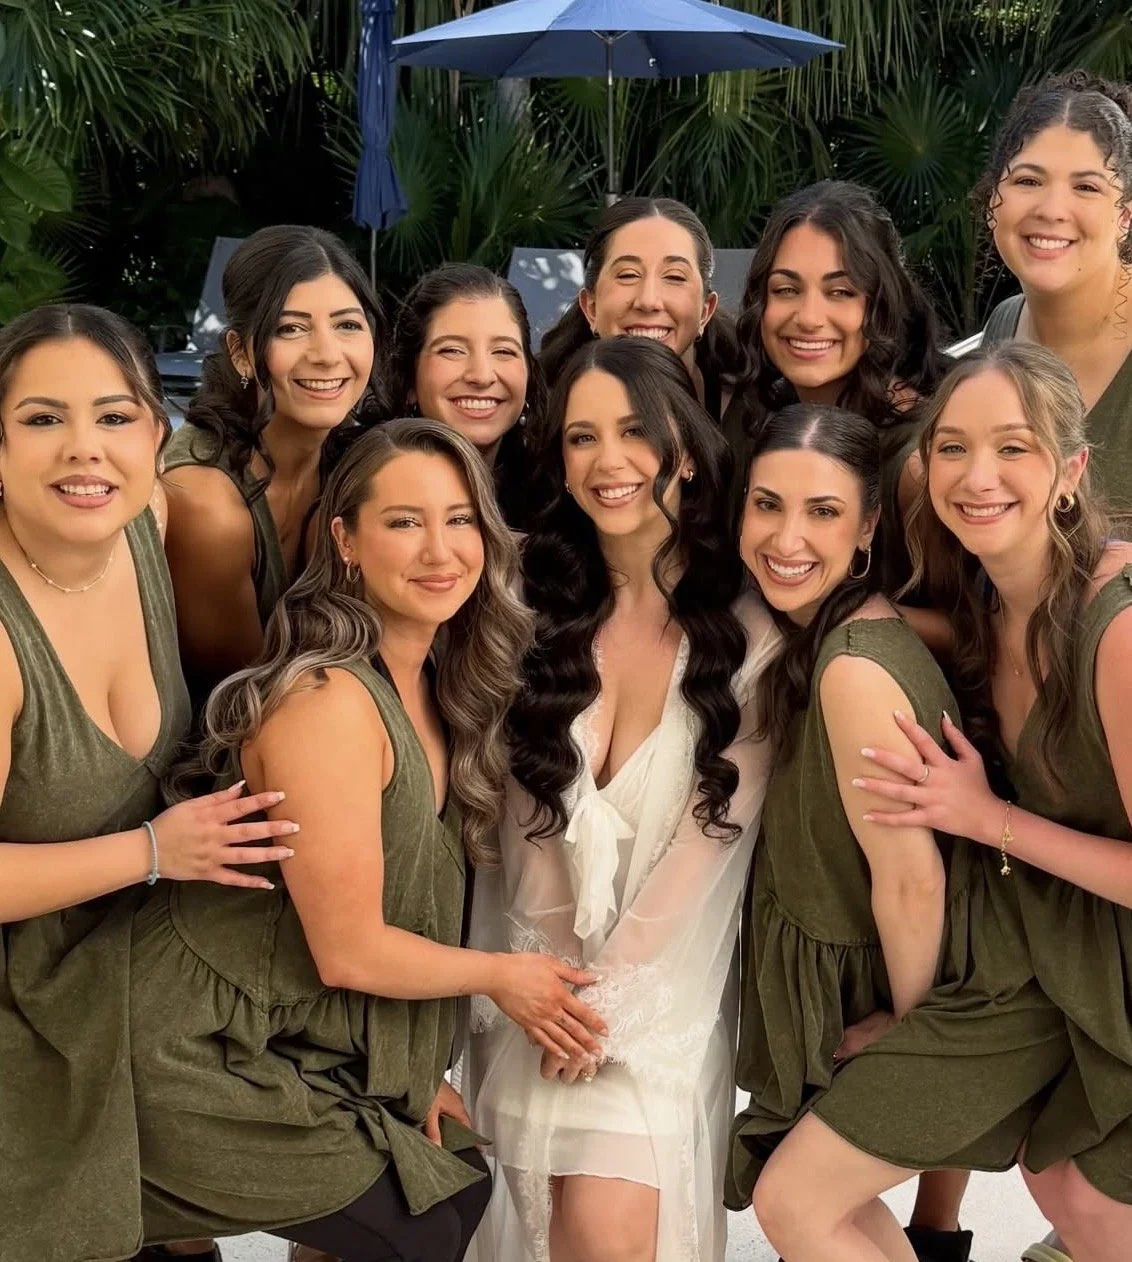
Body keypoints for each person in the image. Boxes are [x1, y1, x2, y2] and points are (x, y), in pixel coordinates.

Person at [125, 419, 607, 1262]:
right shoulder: (329, 701)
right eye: (404, 522)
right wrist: (504, 979)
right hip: (197, 1050)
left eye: (460, 520)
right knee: (419, 1225)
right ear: (345, 540)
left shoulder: (441, 691)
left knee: (455, 1186)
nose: (439, 550)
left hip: (296, 1041)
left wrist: (412, 1075)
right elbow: (349, 949)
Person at [745, 342, 1132, 1262]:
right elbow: (842, 609)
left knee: (799, 1198)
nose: (977, 475)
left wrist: (986, 818)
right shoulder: (988, 608)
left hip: (1101, 966)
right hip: (1045, 953)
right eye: (951, 447)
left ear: (1071, 470)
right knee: (1071, 1192)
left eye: (1014, 448)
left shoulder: (1114, 630)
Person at [464, 337, 780, 1262]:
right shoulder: (528, 608)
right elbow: (525, 826)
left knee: (606, 1231)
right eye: (581, 437)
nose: (608, 461)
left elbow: (707, 845)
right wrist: (555, 987)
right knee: (525, 1226)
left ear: (685, 447)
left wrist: (604, 1008)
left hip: (659, 995)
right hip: (533, 979)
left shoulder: (751, 625)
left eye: (635, 432)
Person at [0, 304, 299, 1262]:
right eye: (43, 419)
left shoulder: (157, 520)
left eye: (116, 416)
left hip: (144, 949)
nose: (85, 450)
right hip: (26, 987)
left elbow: (238, 687)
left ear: (156, 431)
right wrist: (154, 851)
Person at [725, 404, 962, 1262]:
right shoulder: (827, 636)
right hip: (839, 983)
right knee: (833, 1214)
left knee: (798, 1209)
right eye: (767, 504)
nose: (787, 537)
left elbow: (911, 879)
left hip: (892, 996)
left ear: (867, 528)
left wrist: (910, 1030)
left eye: (823, 512)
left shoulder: (855, 666)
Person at [162, 224, 392, 702]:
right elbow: (248, 692)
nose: (327, 355)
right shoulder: (206, 501)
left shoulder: (352, 460)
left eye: (348, 324)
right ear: (241, 353)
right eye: (291, 328)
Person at [726, 181, 952, 597]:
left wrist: (826, 616)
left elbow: (970, 634)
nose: (809, 317)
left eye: (840, 292)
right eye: (787, 290)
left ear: (881, 306)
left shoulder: (918, 462)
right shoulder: (750, 413)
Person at [979, 72, 1132, 517]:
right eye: (1028, 181)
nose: (1050, 210)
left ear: (1125, 216)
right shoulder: (1004, 327)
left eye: (1086, 187)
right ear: (994, 200)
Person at [538, 197, 746, 421]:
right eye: (628, 275)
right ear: (591, 307)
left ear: (705, 311)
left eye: (674, 276)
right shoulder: (542, 415)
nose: (648, 301)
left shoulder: (747, 414)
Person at [391, 263, 547, 527]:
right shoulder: (367, 492)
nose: (482, 375)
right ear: (409, 381)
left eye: (503, 351)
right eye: (452, 350)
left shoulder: (551, 497)